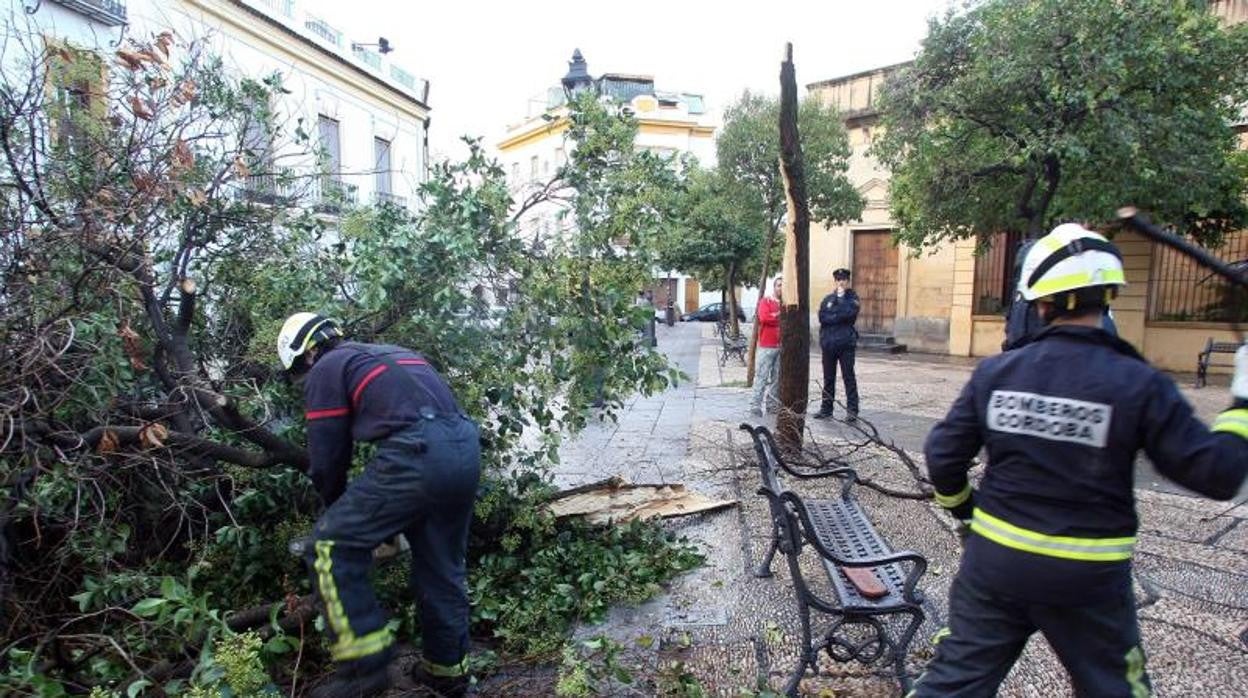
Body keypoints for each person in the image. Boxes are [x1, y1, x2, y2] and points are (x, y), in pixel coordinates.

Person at [914, 224, 1248, 696]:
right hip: (1087, 577)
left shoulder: (997, 373)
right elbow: (1217, 473)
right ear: (1107, 297)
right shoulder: (1137, 383)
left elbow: (942, 455)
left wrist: (966, 510)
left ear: (1039, 303)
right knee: (1114, 686)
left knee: (953, 683)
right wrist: (1243, 406)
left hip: (995, 565)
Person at [277, 313, 481, 698]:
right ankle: (448, 674)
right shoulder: (389, 353)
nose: (305, 383)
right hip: (464, 449)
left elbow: (328, 457)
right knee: (442, 569)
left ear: (306, 355)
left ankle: (363, 670)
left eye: (299, 375)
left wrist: (336, 516)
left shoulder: (327, 368)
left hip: (417, 453)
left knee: (328, 547)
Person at [814, 268, 859, 422]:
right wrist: (836, 315)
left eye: (844, 279)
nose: (841, 282)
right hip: (829, 344)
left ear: (848, 281)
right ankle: (826, 409)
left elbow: (849, 314)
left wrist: (838, 305)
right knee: (828, 378)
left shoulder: (852, 298)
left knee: (848, 377)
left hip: (845, 343)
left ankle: (852, 410)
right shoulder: (827, 299)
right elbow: (822, 317)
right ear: (835, 281)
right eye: (839, 279)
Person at [751, 277, 783, 416]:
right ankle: (755, 405)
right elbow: (764, 318)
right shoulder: (765, 301)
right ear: (774, 287)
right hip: (767, 345)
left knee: (777, 378)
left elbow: (787, 321)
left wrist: (776, 316)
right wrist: (779, 317)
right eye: (778, 285)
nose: (781, 288)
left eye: (783, 286)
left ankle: (772, 405)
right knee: (761, 376)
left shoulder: (786, 304)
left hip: (781, 346)